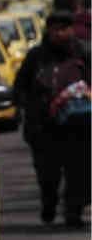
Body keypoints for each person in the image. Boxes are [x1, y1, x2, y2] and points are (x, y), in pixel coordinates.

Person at [14, 11, 91, 227]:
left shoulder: (83, 54)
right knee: (48, 175)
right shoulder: (36, 57)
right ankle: (49, 202)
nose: (59, 34)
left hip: (78, 127)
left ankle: (73, 213)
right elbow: (20, 87)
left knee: (79, 172)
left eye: (63, 28)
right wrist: (28, 106)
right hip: (43, 128)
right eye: (54, 29)